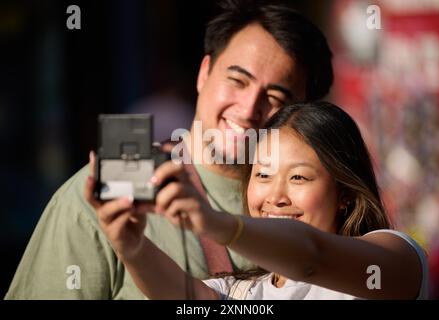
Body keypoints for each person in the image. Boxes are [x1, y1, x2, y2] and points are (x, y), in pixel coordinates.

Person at [5, 1, 333, 299]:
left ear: (306, 114)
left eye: (275, 98)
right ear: (204, 73)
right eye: (237, 80)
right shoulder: (113, 194)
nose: (248, 109)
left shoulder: (315, 210)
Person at [90, 102, 428, 300]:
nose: (275, 198)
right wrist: (130, 245)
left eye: (299, 177)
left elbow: (313, 257)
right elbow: (183, 297)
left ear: (343, 194)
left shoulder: (391, 259)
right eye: (263, 175)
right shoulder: (244, 294)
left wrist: (215, 222)